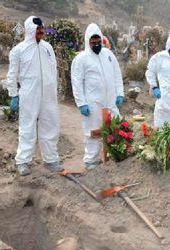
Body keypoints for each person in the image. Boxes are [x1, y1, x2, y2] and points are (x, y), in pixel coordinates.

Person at [6, 16, 62, 176]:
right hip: (29, 94)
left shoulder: (47, 48)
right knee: (27, 127)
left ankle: (51, 159)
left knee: (50, 125)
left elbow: (54, 70)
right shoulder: (18, 50)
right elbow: (12, 74)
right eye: (38, 30)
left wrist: (54, 89)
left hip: (48, 95)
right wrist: (13, 94)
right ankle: (23, 161)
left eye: (42, 29)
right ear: (30, 30)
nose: (41, 32)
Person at [71, 23, 124, 170]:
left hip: (111, 101)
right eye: (93, 42)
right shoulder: (81, 59)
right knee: (93, 132)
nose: (96, 44)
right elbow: (76, 82)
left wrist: (120, 93)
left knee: (116, 129)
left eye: (98, 41)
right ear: (88, 42)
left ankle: (116, 155)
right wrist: (81, 103)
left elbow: (117, 75)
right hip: (93, 103)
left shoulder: (108, 55)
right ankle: (91, 161)